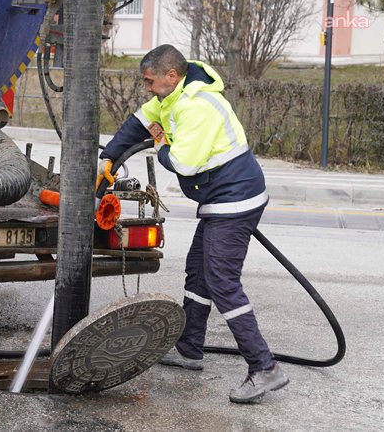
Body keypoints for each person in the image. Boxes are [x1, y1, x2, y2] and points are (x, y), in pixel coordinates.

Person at [97, 44, 288, 404]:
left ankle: (264, 367)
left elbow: (183, 163)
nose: (148, 89)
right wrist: (108, 158)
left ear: (171, 75)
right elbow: (140, 120)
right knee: (198, 272)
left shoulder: (197, 106)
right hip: (219, 199)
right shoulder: (172, 95)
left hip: (236, 200)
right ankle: (189, 347)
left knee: (221, 282)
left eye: (151, 81)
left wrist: (161, 142)